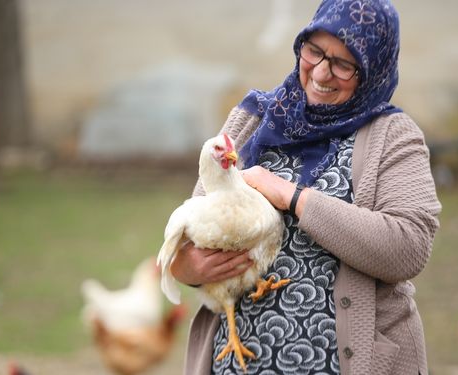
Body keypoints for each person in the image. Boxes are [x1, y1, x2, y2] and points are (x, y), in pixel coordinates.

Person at [170, 0, 441, 373]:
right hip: (240, 363)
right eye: (314, 51)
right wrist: (188, 268)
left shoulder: (393, 136)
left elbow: (407, 248)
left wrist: (292, 197)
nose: (322, 72)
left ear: (371, 70)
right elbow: (192, 233)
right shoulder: (251, 119)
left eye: (344, 64)